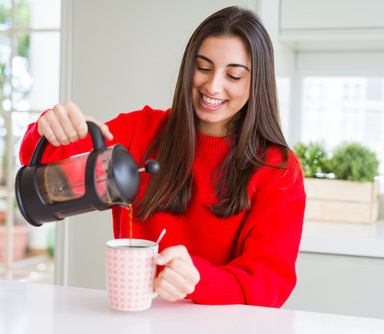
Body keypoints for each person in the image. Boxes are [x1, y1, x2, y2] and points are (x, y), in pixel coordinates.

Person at [19, 6, 306, 307]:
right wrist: (49, 128)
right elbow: (37, 162)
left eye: (233, 75)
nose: (213, 86)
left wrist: (198, 281)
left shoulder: (278, 169)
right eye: (204, 67)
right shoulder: (139, 130)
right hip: (134, 322)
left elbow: (270, 287)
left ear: (255, 82)